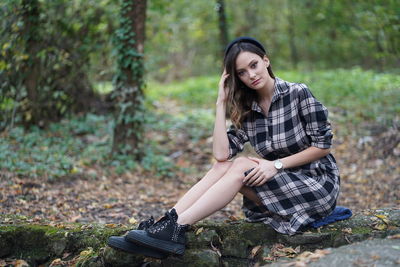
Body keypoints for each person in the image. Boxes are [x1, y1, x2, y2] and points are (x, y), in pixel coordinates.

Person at [108, 36, 340, 258]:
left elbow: (323, 146)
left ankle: (175, 228)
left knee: (240, 164)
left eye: (254, 65)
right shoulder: (249, 108)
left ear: (266, 61)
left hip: (316, 183)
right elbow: (221, 155)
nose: (251, 75)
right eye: (242, 72)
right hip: (282, 185)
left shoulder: (298, 93)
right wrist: (221, 102)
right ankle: (164, 225)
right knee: (224, 166)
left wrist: (276, 165)